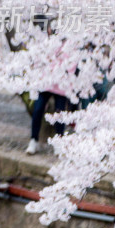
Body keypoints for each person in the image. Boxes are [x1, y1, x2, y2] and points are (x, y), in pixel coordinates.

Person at [27, 15, 75, 154]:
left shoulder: (68, 45)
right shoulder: (43, 43)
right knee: (38, 109)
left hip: (60, 84)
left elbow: (71, 64)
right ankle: (33, 140)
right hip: (45, 83)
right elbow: (37, 61)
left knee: (60, 114)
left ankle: (59, 143)